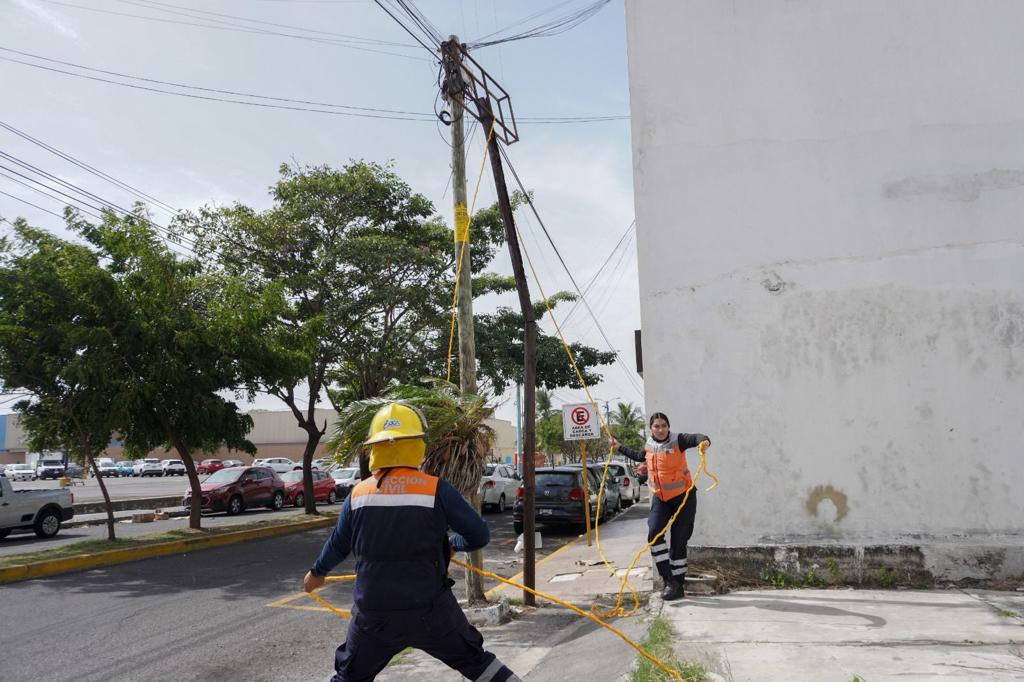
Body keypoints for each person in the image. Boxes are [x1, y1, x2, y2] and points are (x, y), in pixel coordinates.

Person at [304, 402, 520, 682]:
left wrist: (316, 573)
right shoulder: (436, 490)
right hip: (431, 610)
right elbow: (479, 535)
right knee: (478, 663)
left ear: (374, 448)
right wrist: (453, 543)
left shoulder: (358, 495)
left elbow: (338, 544)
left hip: (374, 615)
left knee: (349, 676)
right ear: (418, 444)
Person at [610, 412, 710, 601]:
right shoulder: (649, 445)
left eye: (664, 425)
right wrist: (618, 446)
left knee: (678, 541)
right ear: (651, 429)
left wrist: (704, 441)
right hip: (660, 498)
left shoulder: (678, 440)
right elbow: (638, 456)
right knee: (654, 535)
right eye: (656, 426)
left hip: (684, 497)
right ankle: (669, 580)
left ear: (668, 426)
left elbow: (696, 438)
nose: (660, 429)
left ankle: (678, 585)